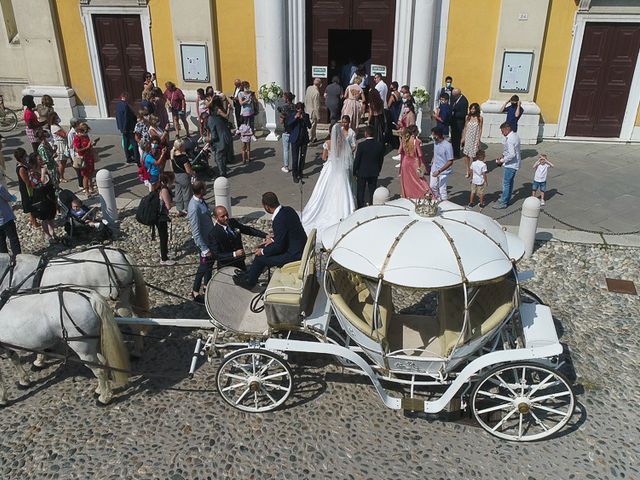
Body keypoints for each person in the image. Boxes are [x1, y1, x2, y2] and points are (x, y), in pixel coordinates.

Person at [233, 192, 307, 290]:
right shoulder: (289, 210)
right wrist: (272, 240)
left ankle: (249, 282)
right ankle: (249, 274)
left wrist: (263, 251)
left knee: (260, 258)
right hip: (298, 247)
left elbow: (279, 247)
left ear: (266, 206)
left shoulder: (278, 220)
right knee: (264, 248)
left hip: (293, 255)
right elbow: (287, 233)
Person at [301, 123, 356, 237]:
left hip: (330, 168)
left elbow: (324, 157)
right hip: (341, 170)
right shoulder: (344, 142)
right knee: (343, 190)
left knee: (322, 191)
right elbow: (347, 156)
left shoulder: (328, 143)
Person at [209, 205, 267, 270]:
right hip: (226, 265)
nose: (226, 218)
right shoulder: (214, 234)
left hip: (240, 261)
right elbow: (216, 255)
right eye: (222, 216)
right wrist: (234, 254)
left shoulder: (232, 222)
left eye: (226, 214)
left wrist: (265, 235)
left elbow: (247, 230)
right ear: (216, 218)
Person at [188, 181, 215, 303]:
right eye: (205, 188)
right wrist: (204, 249)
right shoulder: (194, 207)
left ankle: (206, 285)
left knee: (209, 265)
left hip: (210, 239)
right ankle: (195, 291)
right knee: (203, 267)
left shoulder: (201, 201)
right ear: (201, 191)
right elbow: (196, 231)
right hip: (204, 242)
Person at [28, 153, 57, 244]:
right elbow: (39, 184)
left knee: (51, 215)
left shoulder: (44, 169)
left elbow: (50, 181)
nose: (41, 160)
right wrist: (43, 173)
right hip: (41, 196)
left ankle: (53, 232)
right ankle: (47, 234)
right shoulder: (32, 173)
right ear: (35, 161)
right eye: (39, 159)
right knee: (44, 217)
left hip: (49, 194)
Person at [354, 126, 385, 208]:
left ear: (366, 134)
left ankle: (360, 206)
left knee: (361, 191)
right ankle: (371, 205)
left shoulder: (361, 145)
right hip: (374, 171)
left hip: (362, 171)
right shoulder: (379, 145)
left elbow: (357, 160)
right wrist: (378, 169)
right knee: (372, 191)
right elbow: (381, 159)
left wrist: (354, 171)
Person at [493, 122, 521, 209]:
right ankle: (506, 199)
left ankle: (503, 202)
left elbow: (512, 154)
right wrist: (503, 155)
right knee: (510, 183)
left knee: (506, 184)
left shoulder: (510, 139)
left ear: (507, 129)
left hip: (511, 165)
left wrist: (501, 160)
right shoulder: (515, 136)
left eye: (502, 131)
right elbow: (509, 151)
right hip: (515, 163)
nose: (502, 133)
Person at [399, 125, 430, 199]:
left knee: (407, 180)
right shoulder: (417, 141)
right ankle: (425, 194)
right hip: (414, 162)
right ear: (415, 132)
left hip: (405, 162)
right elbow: (420, 154)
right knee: (419, 180)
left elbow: (399, 151)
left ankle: (408, 194)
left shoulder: (404, 139)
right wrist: (423, 165)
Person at [207, 98, 234, 177]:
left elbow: (214, 136)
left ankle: (222, 174)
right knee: (222, 157)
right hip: (226, 136)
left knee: (218, 158)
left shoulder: (212, 118)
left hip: (221, 140)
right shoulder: (218, 114)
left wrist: (208, 140)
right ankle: (223, 170)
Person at [286, 102, 312, 183]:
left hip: (304, 139)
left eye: (300, 109)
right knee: (295, 158)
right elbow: (288, 124)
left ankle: (300, 173)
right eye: (297, 109)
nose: (299, 110)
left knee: (302, 157)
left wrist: (303, 118)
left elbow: (309, 126)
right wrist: (295, 117)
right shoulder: (292, 115)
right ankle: (294, 174)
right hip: (295, 139)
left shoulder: (306, 115)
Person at [155, 172, 176, 266]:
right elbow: (168, 206)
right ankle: (164, 258)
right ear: (169, 180)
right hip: (161, 217)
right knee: (164, 237)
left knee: (163, 235)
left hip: (158, 216)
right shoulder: (165, 190)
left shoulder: (160, 187)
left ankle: (165, 252)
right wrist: (174, 203)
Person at [14, 148, 38, 229]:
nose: (27, 156)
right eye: (25, 155)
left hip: (28, 187)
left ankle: (32, 219)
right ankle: (34, 222)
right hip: (27, 189)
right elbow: (27, 182)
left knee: (32, 204)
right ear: (21, 158)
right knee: (31, 204)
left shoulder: (24, 164)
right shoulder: (21, 168)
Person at [73, 122, 99, 195]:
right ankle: (86, 191)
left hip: (89, 156)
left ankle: (91, 187)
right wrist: (87, 147)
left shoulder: (85, 136)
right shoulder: (77, 138)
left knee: (90, 173)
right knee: (86, 176)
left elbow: (88, 145)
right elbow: (77, 150)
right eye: (85, 131)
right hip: (83, 158)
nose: (86, 132)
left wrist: (92, 144)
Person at [430, 126, 455, 200]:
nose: (432, 136)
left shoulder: (447, 146)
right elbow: (435, 152)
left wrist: (439, 171)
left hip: (443, 171)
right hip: (434, 168)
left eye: (433, 134)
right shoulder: (435, 142)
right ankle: (437, 199)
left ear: (437, 135)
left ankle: (444, 204)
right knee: (432, 186)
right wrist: (433, 159)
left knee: (442, 190)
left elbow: (450, 161)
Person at [170, 138, 194, 216]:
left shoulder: (172, 155)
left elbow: (172, 167)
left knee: (178, 192)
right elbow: (188, 170)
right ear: (180, 147)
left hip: (176, 176)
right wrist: (193, 173)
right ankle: (187, 208)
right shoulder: (183, 157)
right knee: (187, 192)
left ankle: (179, 208)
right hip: (184, 176)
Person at [115, 92, 138, 164]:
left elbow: (118, 117)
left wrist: (121, 127)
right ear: (125, 97)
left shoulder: (118, 104)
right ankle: (137, 158)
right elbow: (126, 118)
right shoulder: (126, 106)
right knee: (134, 143)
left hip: (122, 128)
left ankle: (128, 158)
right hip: (128, 128)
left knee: (126, 143)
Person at [461, 102, 483, 178]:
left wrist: (478, 140)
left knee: (474, 156)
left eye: (473, 109)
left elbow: (480, 129)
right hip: (468, 137)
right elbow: (465, 127)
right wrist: (463, 137)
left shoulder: (480, 118)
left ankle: (474, 171)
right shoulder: (467, 117)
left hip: (475, 138)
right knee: (466, 155)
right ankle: (468, 170)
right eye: (471, 108)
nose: (472, 110)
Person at [277, 92, 296, 173]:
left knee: (286, 149)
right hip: (294, 130)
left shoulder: (284, 108)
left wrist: (281, 116)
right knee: (294, 150)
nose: (283, 99)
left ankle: (286, 166)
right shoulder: (295, 106)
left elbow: (281, 121)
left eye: (284, 97)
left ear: (287, 98)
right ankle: (295, 165)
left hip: (286, 131)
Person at [0, 184, 21, 256]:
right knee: (13, 239)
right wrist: (13, 198)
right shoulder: (0, 187)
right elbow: (8, 198)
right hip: (6, 218)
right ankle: (17, 258)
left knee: (1, 243)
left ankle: (4, 262)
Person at [449, 88, 469, 159]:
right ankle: (452, 152)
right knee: (453, 138)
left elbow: (463, 114)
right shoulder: (454, 98)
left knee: (457, 139)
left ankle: (456, 154)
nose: (453, 97)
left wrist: (453, 114)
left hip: (459, 123)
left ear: (458, 94)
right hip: (453, 122)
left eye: (454, 95)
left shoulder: (464, 101)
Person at [67, 118, 83, 190]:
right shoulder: (71, 134)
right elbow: (71, 147)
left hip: (81, 153)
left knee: (84, 170)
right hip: (76, 155)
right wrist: (73, 158)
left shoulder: (79, 131)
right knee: (79, 172)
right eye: (78, 122)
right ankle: (81, 185)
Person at [304, 78, 322, 143]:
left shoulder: (308, 88)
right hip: (313, 112)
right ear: (320, 84)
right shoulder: (316, 93)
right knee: (311, 127)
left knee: (311, 126)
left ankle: (314, 138)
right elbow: (316, 106)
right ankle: (309, 140)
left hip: (307, 110)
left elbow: (306, 99)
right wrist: (318, 116)